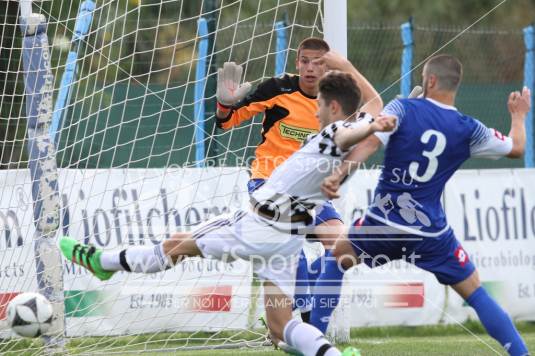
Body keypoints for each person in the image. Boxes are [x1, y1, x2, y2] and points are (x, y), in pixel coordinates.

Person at [58, 71, 396, 356]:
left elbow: (350, 131)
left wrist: (369, 127)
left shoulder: (333, 132)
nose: (317, 110)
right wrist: (352, 81)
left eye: (321, 104)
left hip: (259, 225)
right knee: (281, 328)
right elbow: (374, 106)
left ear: (333, 106)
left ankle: (102, 263)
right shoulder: (354, 124)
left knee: (175, 246)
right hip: (287, 241)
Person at [309, 54, 531, 356]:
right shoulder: (469, 128)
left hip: (384, 221)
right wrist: (518, 116)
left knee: (336, 259)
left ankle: (313, 344)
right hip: (430, 233)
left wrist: (338, 174)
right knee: (476, 292)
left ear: (430, 80)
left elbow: (371, 142)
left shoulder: (403, 107)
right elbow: (517, 148)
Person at [215, 37, 383, 321]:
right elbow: (227, 121)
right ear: (297, 61)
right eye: (305, 61)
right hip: (269, 182)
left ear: (329, 65)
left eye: (318, 62)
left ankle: (299, 314)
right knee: (293, 251)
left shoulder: (338, 99)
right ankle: (306, 325)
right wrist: (223, 104)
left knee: (342, 250)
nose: (310, 68)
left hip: (311, 191)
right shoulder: (277, 88)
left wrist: (401, 116)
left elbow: (370, 118)